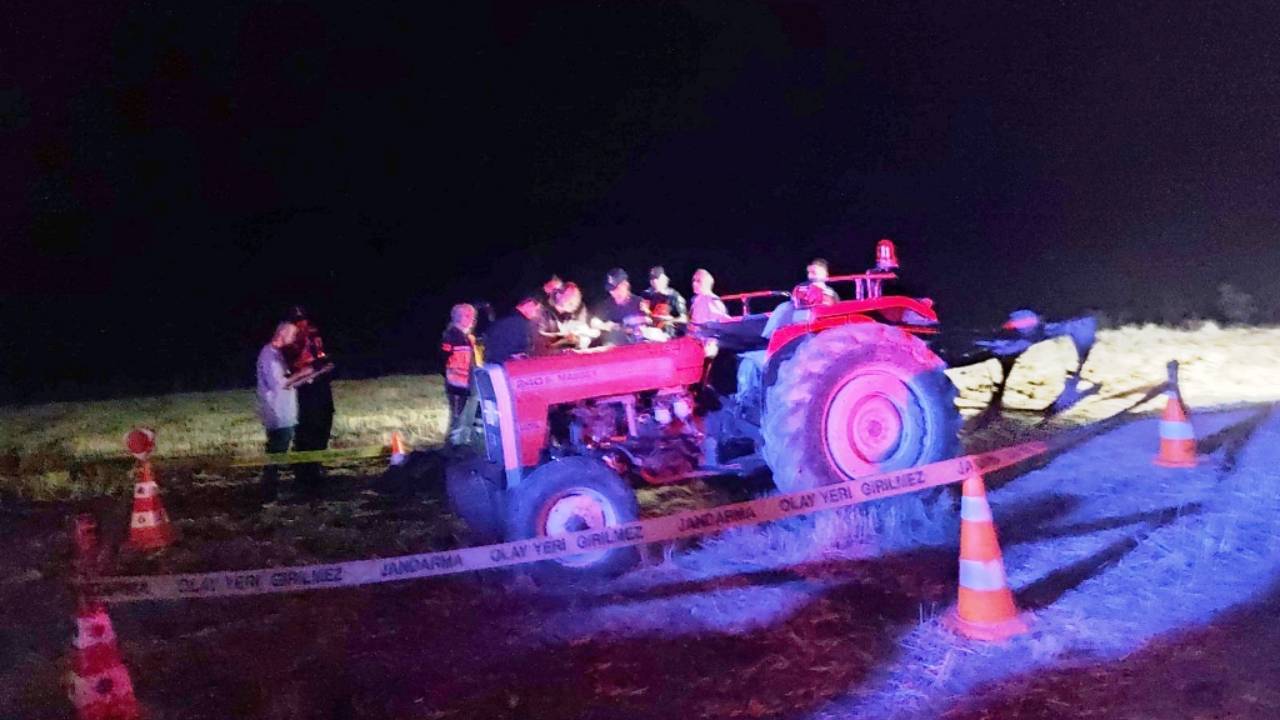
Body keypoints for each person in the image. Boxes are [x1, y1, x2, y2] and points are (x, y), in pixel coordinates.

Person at [284, 306, 335, 490]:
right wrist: (314, 366)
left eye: (303, 319)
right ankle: (304, 471)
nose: (302, 323)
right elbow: (295, 364)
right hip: (305, 388)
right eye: (297, 320)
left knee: (324, 419)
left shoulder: (314, 334)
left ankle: (316, 464)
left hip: (321, 385)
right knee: (307, 426)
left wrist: (324, 363)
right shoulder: (290, 339)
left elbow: (321, 355)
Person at [257, 322, 300, 502]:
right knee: (276, 453)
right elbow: (280, 383)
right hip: (278, 413)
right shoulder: (269, 355)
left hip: (284, 412)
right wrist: (306, 371)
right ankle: (268, 493)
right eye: (293, 334)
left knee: (277, 452)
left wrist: (314, 373)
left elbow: (290, 382)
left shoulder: (277, 355)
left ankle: (270, 491)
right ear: (282, 333)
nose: (294, 339)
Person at [441, 303, 478, 444]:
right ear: (457, 317)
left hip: (469, 383)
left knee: (468, 415)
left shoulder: (467, 337)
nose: (472, 319)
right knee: (458, 416)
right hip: (457, 384)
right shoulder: (451, 336)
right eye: (468, 315)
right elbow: (443, 360)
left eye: (473, 316)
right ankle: (454, 446)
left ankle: (464, 442)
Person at [591, 268, 650, 346]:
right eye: (610, 289)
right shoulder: (607, 304)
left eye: (616, 288)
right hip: (616, 345)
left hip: (638, 343)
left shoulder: (638, 302)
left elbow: (649, 321)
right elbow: (594, 321)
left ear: (625, 285)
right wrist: (606, 326)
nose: (613, 293)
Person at [483, 293, 546, 364]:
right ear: (529, 304)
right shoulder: (519, 324)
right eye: (537, 310)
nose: (536, 315)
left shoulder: (503, 320)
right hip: (509, 366)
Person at [547, 282, 598, 350]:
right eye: (568, 303)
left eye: (573, 297)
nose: (573, 303)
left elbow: (595, 334)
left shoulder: (591, 306)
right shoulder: (563, 321)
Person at [641, 265, 688, 338]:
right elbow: (645, 314)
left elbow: (684, 319)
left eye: (657, 278)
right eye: (652, 279)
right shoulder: (647, 294)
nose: (654, 281)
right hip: (650, 332)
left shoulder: (673, 295)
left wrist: (669, 320)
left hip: (668, 334)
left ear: (663, 279)